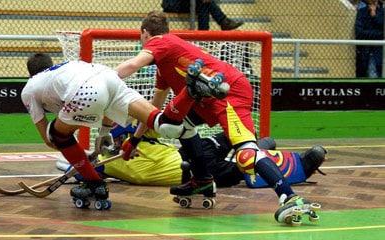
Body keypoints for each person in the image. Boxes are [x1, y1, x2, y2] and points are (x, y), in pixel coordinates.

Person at [114, 11, 324, 223]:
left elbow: (132, 65)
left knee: (246, 155)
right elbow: (154, 109)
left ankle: (290, 198)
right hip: (206, 99)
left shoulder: (161, 41)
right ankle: (203, 180)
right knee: (177, 126)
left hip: (229, 92)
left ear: (144, 33)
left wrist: (102, 78)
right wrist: (135, 139)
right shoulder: (163, 64)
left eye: (141, 37)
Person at [21, 53, 185, 208]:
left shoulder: (30, 87)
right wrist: (104, 132)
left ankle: (94, 183)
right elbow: (106, 105)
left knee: (57, 135)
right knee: (162, 123)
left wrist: (79, 158)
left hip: (86, 90)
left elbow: (48, 139)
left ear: (30, 74)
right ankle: (189, 95)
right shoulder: (66, 68)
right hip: (107, 76)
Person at [56, 123, 327, 189]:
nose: (117, 142)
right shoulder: (109, 165)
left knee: (231, 136)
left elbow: (151, 121)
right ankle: (296, 164)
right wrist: (80, 164)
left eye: (119, 137)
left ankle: (255, 145)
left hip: (190, 153)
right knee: (240, 170)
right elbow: (86, 173)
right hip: (192, 174)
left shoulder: (139, 138)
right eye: (113, 140)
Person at [161, 0, 244, 30]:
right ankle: (223, 22)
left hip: (190, 3)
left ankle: (203, 34)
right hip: (173, 4)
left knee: (204, 5)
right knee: (204, 3)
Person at [355, 0, 384, 78]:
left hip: (379, 50)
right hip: (366, 50)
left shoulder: (382, 12)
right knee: (371, 74)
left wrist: (374, 16)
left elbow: (383, 28)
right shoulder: (361, 12)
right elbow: (359, 32)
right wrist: (378, 34)